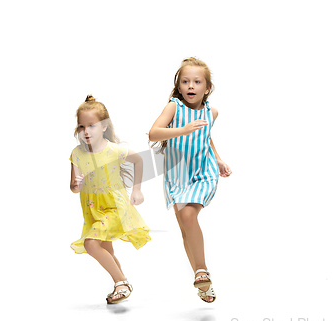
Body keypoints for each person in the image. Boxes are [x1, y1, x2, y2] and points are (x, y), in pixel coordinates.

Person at [149, 58, 232, 303]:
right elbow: (154, 133)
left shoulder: (211, 112)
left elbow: (206, 137)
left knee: (188, 216)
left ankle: (201, 270)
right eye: (185, 81)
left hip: (203, 172)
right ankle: (202, 282)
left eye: (197, 81)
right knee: (186, 228)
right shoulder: (173, 107)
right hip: (177, 175)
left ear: (207, 88)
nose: (191, 86)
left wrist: (217, 159)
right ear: (179, 86)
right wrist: (182, 130)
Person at [70, 95, 151, 304]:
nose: (85, 131)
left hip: (115, 207)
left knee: (90, 244)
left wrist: (137, 190)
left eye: (91, 126)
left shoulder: (114, 150)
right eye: (81, 127)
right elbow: (73, 187)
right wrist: (77, 184)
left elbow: (139, 160)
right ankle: (120, 286)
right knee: (105, 249)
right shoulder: (76, 154)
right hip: (92, 209)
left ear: (104, 126)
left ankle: (122, 282)